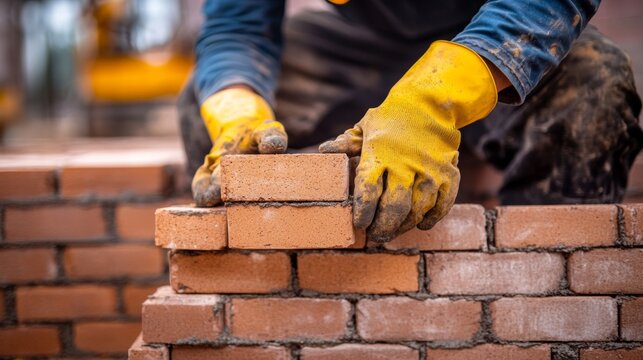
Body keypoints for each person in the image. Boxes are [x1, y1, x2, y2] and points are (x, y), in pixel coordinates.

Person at [179, 0, 642, 242]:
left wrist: (432, 102)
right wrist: (237, 109)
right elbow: (236, 29)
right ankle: (253, 281)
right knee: (210, 100)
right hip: (360, 50)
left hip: (491, 34)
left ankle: (548, 282)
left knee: (597, 84)